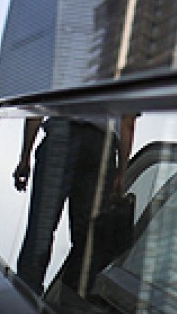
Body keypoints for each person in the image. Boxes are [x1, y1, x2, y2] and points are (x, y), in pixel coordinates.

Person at [12, 113, 135, 296]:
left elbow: (36, 107)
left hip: (61, 134)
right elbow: (128, 120)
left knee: (40, 231)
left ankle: (23, 301)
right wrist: (122, 172)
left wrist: (25, 157)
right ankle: (68, 304)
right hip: (101, 145)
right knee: (87, 240)